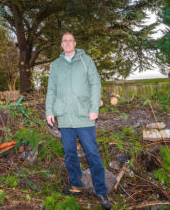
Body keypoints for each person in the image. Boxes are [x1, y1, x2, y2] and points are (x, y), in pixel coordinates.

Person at [45, 32, 112, 209]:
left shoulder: (86, 60)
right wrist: (49, 111)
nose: (67, 43)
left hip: (84, 116)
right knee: (70, 154)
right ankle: (76, 185)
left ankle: (101, 190)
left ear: (75, 43)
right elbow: (51, 89)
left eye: (70, 40)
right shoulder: (56, 65)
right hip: (65, 118)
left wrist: (94, 109)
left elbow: (95, 84)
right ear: (61, 44)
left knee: (92, 153)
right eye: (64, 41)